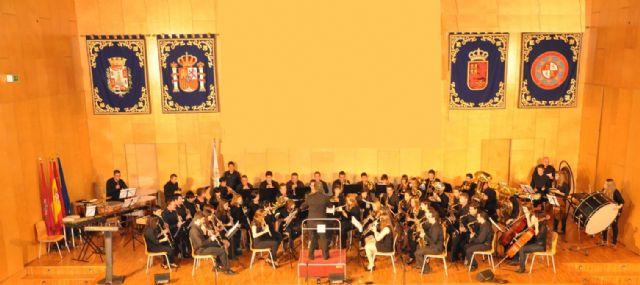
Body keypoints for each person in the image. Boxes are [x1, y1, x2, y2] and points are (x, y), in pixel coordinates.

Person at [301, 182, 332, 260]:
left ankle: (311, 256)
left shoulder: (309, 197)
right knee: (323, 238)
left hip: (311, 222)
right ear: (322, 188)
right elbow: (330, 206)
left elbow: (302, 207)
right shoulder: (325, 197)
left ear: (314, 188)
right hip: (321, 222)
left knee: (313, 238)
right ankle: (325, 256)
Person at [601, 179, 624, 247]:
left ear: (609, 185)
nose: (604, 185)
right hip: (608, 211)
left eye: (605, 184)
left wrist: (618, 207)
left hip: (615, 211)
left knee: (614, 225)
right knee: (604, 224)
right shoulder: (603, 190)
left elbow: (622, 202)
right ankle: (604, 240)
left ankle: (614, 242)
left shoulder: (616, 192)